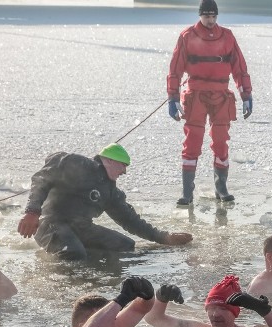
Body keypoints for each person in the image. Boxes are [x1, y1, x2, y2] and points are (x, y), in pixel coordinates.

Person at [16, 145, 193, 261]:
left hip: (81, 227)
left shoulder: (110, 192)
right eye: (123, 165)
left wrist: (164, 237)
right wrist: (32, 211)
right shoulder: (78, 164)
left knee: (126, 246)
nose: (124, 171)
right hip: (51, 224)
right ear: (108, 160)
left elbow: (131, 221)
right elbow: (42, 178)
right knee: (73, 254)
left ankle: (88, 257)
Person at [167, 0, 252, 206]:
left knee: (221, 142)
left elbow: (239, 68)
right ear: (200, 16)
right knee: (192, 143)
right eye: (206, 16)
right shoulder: (187, 36)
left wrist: (246, 95)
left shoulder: (228, 36)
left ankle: (221, 188)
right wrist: (173, 97)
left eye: (214, 16)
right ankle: (187, 192)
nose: (211, 20)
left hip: (221, 95)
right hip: (196, 96)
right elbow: (175, 69)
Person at [145, 275, 272, 327]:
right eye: (211, 308)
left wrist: (263, 310)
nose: (215, 314)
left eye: (223, 308)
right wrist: (161, 297)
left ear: (234, 312)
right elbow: (153, 319)